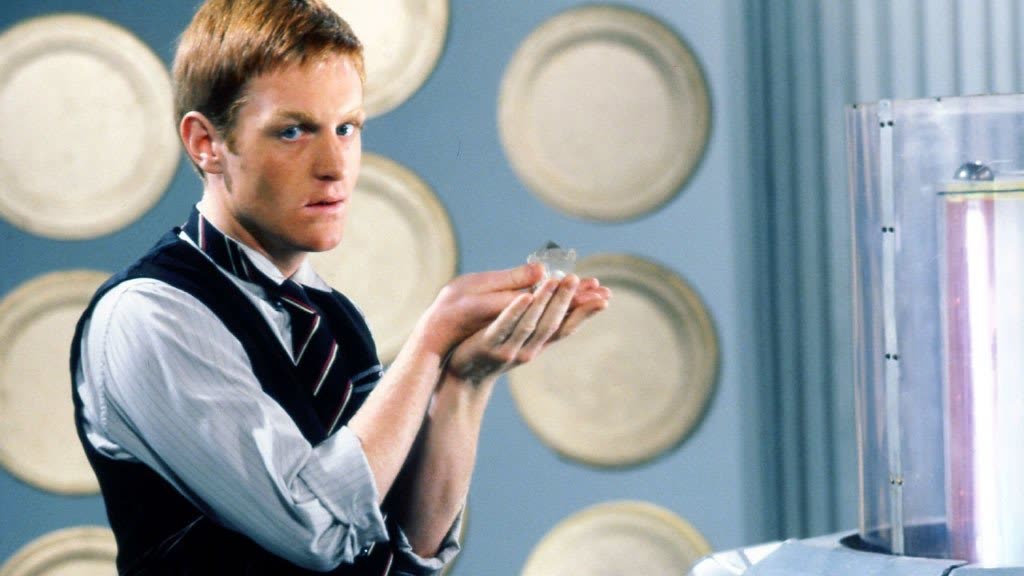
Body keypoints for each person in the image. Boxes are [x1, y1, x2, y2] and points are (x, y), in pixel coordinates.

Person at [70, 0, 610, 574]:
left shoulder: (330, 316)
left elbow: (400, 553)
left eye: (347, 128)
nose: (335, 166)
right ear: (206, 143)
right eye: (293, 131)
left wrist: (463, 379)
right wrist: (431, 340)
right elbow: (317, 528)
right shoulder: (147, 317)